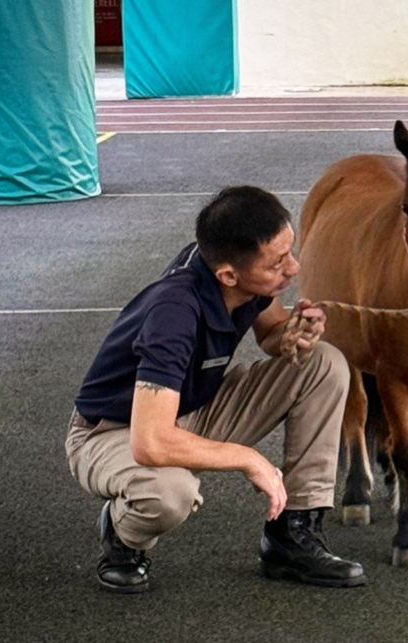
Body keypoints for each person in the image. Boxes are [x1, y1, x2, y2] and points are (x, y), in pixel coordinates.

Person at [65, 186, 367, 592]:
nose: (294, 269)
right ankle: (122, 535)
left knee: (324, 363)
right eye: (278, 263)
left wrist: (292, 336)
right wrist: (248, 459)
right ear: (228, 275)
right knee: (169, 492)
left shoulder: (237, 272)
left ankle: (292, 535)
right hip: (115, 430)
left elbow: (272, 333)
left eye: (290, 251)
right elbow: (150, 443)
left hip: (193, 407)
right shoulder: (174, 313)